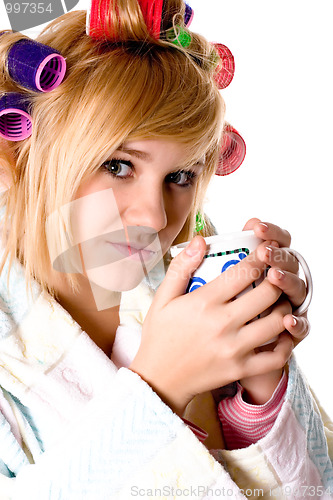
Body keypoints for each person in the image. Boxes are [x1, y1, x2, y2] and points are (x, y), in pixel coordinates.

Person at [0, 1, 332, 498]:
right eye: (118, 165)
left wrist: (259, 390)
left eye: (180, 177)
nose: (155, 218)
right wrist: (158, 388)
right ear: (25, 150)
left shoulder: (191, 273)